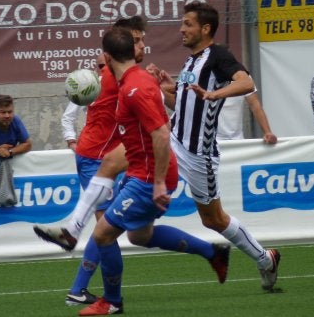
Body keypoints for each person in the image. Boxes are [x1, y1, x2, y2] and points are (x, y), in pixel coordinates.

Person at [77, 26, 230, 316]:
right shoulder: (131, 82)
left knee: (102, 234)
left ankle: (112, 301)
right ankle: (213, 253)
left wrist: (158, 182)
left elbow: (161, 133)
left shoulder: (135, 87)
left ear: (107, 58)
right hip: (142, 172)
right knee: (139, 236)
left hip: (147, 178)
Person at [147, 1, 280, 291]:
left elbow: (246, 83)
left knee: (213, 220)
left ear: (205, 29)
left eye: (188, 24)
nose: (181, 29)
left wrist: (215, 93)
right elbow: (182, 107)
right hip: (174, 141)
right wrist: (165, 88)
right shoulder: (190, 61)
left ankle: (265, 259)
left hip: (198, 154)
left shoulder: (218, 55)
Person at [47, 24, 143, 306]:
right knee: (107, 230)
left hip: (100, 157)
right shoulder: (115, 78)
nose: (141, 47)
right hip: (96, 160)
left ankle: (79, 288)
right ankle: (108, 297)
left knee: (108, 228)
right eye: (136, 41)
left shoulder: (115, 77)